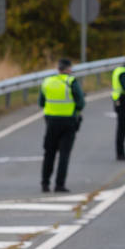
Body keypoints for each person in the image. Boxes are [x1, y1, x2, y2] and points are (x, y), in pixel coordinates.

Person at [39, 58, 85, 193]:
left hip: (51, 122)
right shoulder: (71, 82)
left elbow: (41, 102)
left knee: (49, 153)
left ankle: (45, 183)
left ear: (58, 68)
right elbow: (80, 102)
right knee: (64, 155)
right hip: (68, 122)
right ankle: (59, 185)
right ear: (68, 69)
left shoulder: (47, 82)